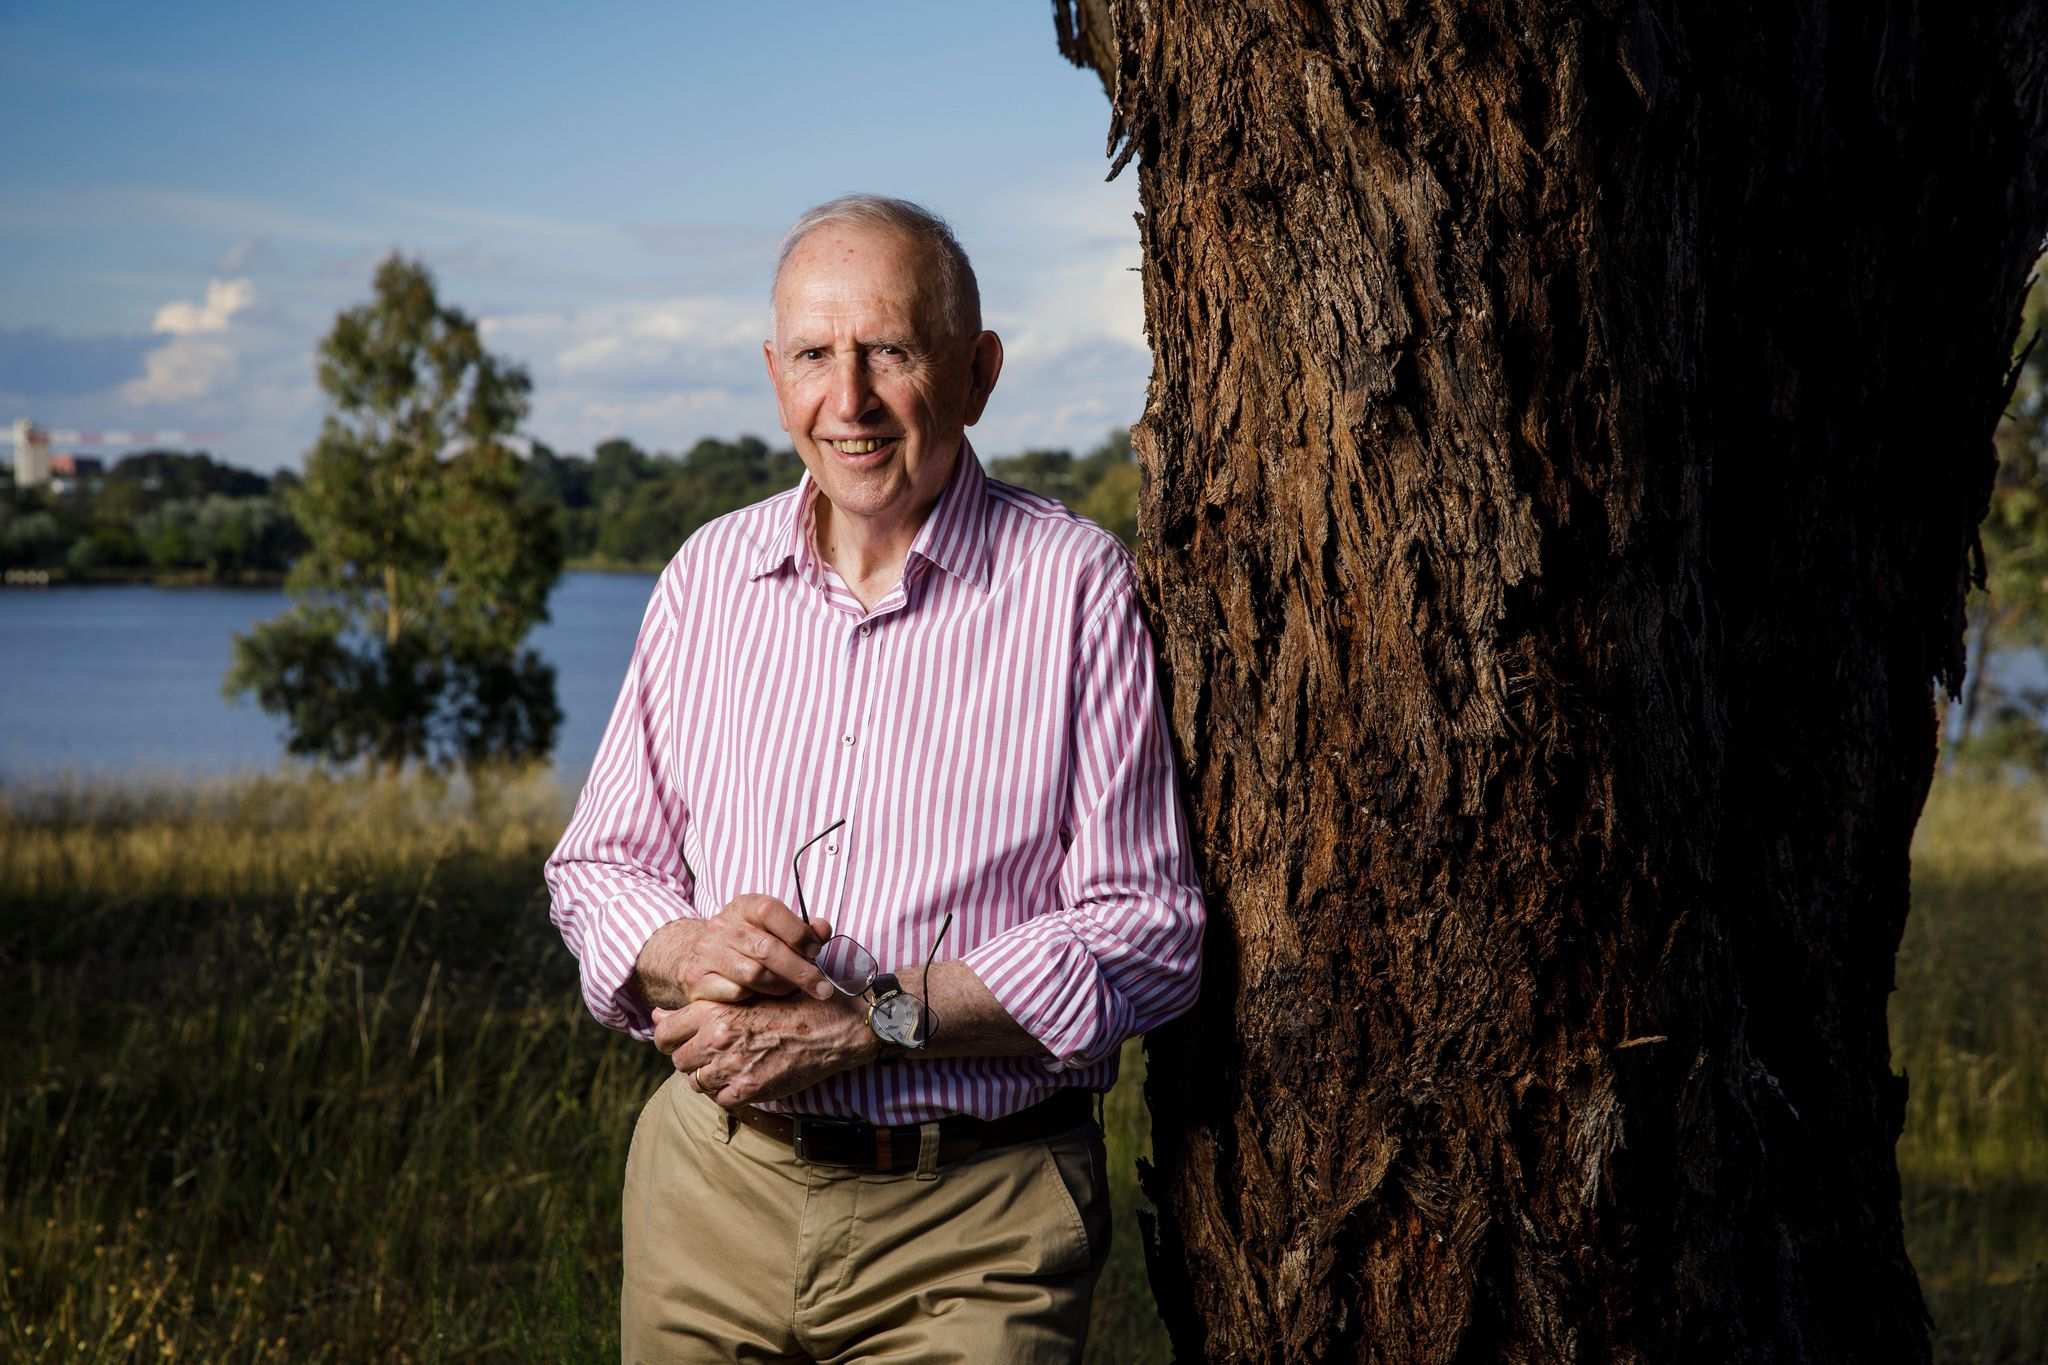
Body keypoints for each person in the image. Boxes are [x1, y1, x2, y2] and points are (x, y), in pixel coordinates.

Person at [545, 193, 1204, 1365]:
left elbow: (1146, 934)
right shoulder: (708, 575)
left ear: (975, 370)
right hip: (709, 1189)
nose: (844, 402)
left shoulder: (1075, 589)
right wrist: (684, 949)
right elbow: (600, 866)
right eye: (812, 355)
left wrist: (866, 1023)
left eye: (888, 351)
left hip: (974, 1226)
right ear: (772, 370)